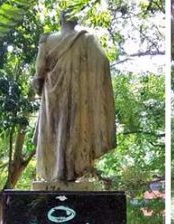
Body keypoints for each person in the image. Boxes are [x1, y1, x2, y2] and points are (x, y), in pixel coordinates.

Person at [31, 10, 116, 182]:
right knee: (74, 130)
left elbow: (39, 70)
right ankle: (71, 171)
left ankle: (55, 173)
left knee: (54, 132)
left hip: (52, 99)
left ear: (60, 18)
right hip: (76, 96)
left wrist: (38, 84)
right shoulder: (87, 40)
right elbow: (103, 61)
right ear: (76, 19)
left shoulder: (46, 40)